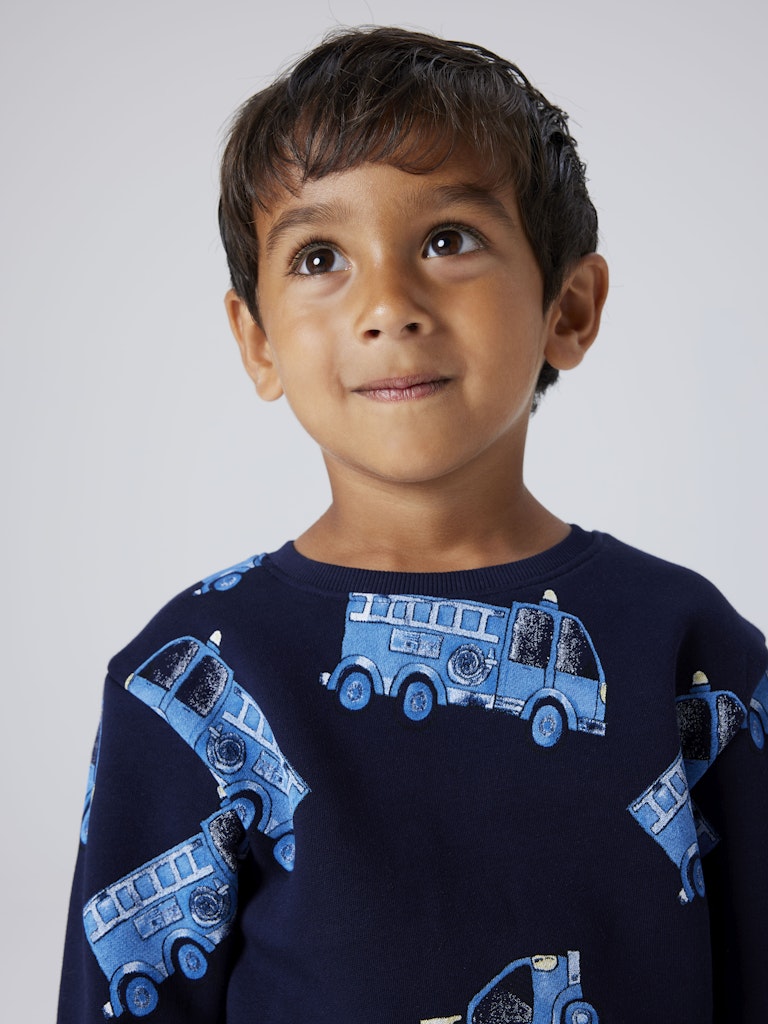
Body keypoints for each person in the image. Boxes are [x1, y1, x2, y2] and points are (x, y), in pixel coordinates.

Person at [57, 26, 767, 1024]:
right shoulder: (189, 668)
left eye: (448, 240)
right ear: (258, 343)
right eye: (320, 256)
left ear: (568, 308)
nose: (389, 304)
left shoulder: (690, 650)